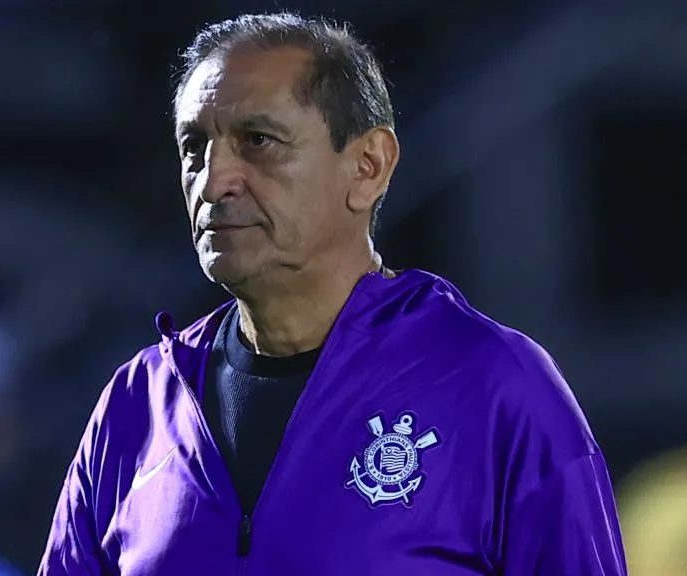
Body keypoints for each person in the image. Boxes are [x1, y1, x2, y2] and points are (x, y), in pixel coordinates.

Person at [38, 12, 627, 575]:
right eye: (195, 147)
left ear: (369, 165)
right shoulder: (136, 406)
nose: (214, 181)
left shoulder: (495, 386)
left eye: (258, 141)